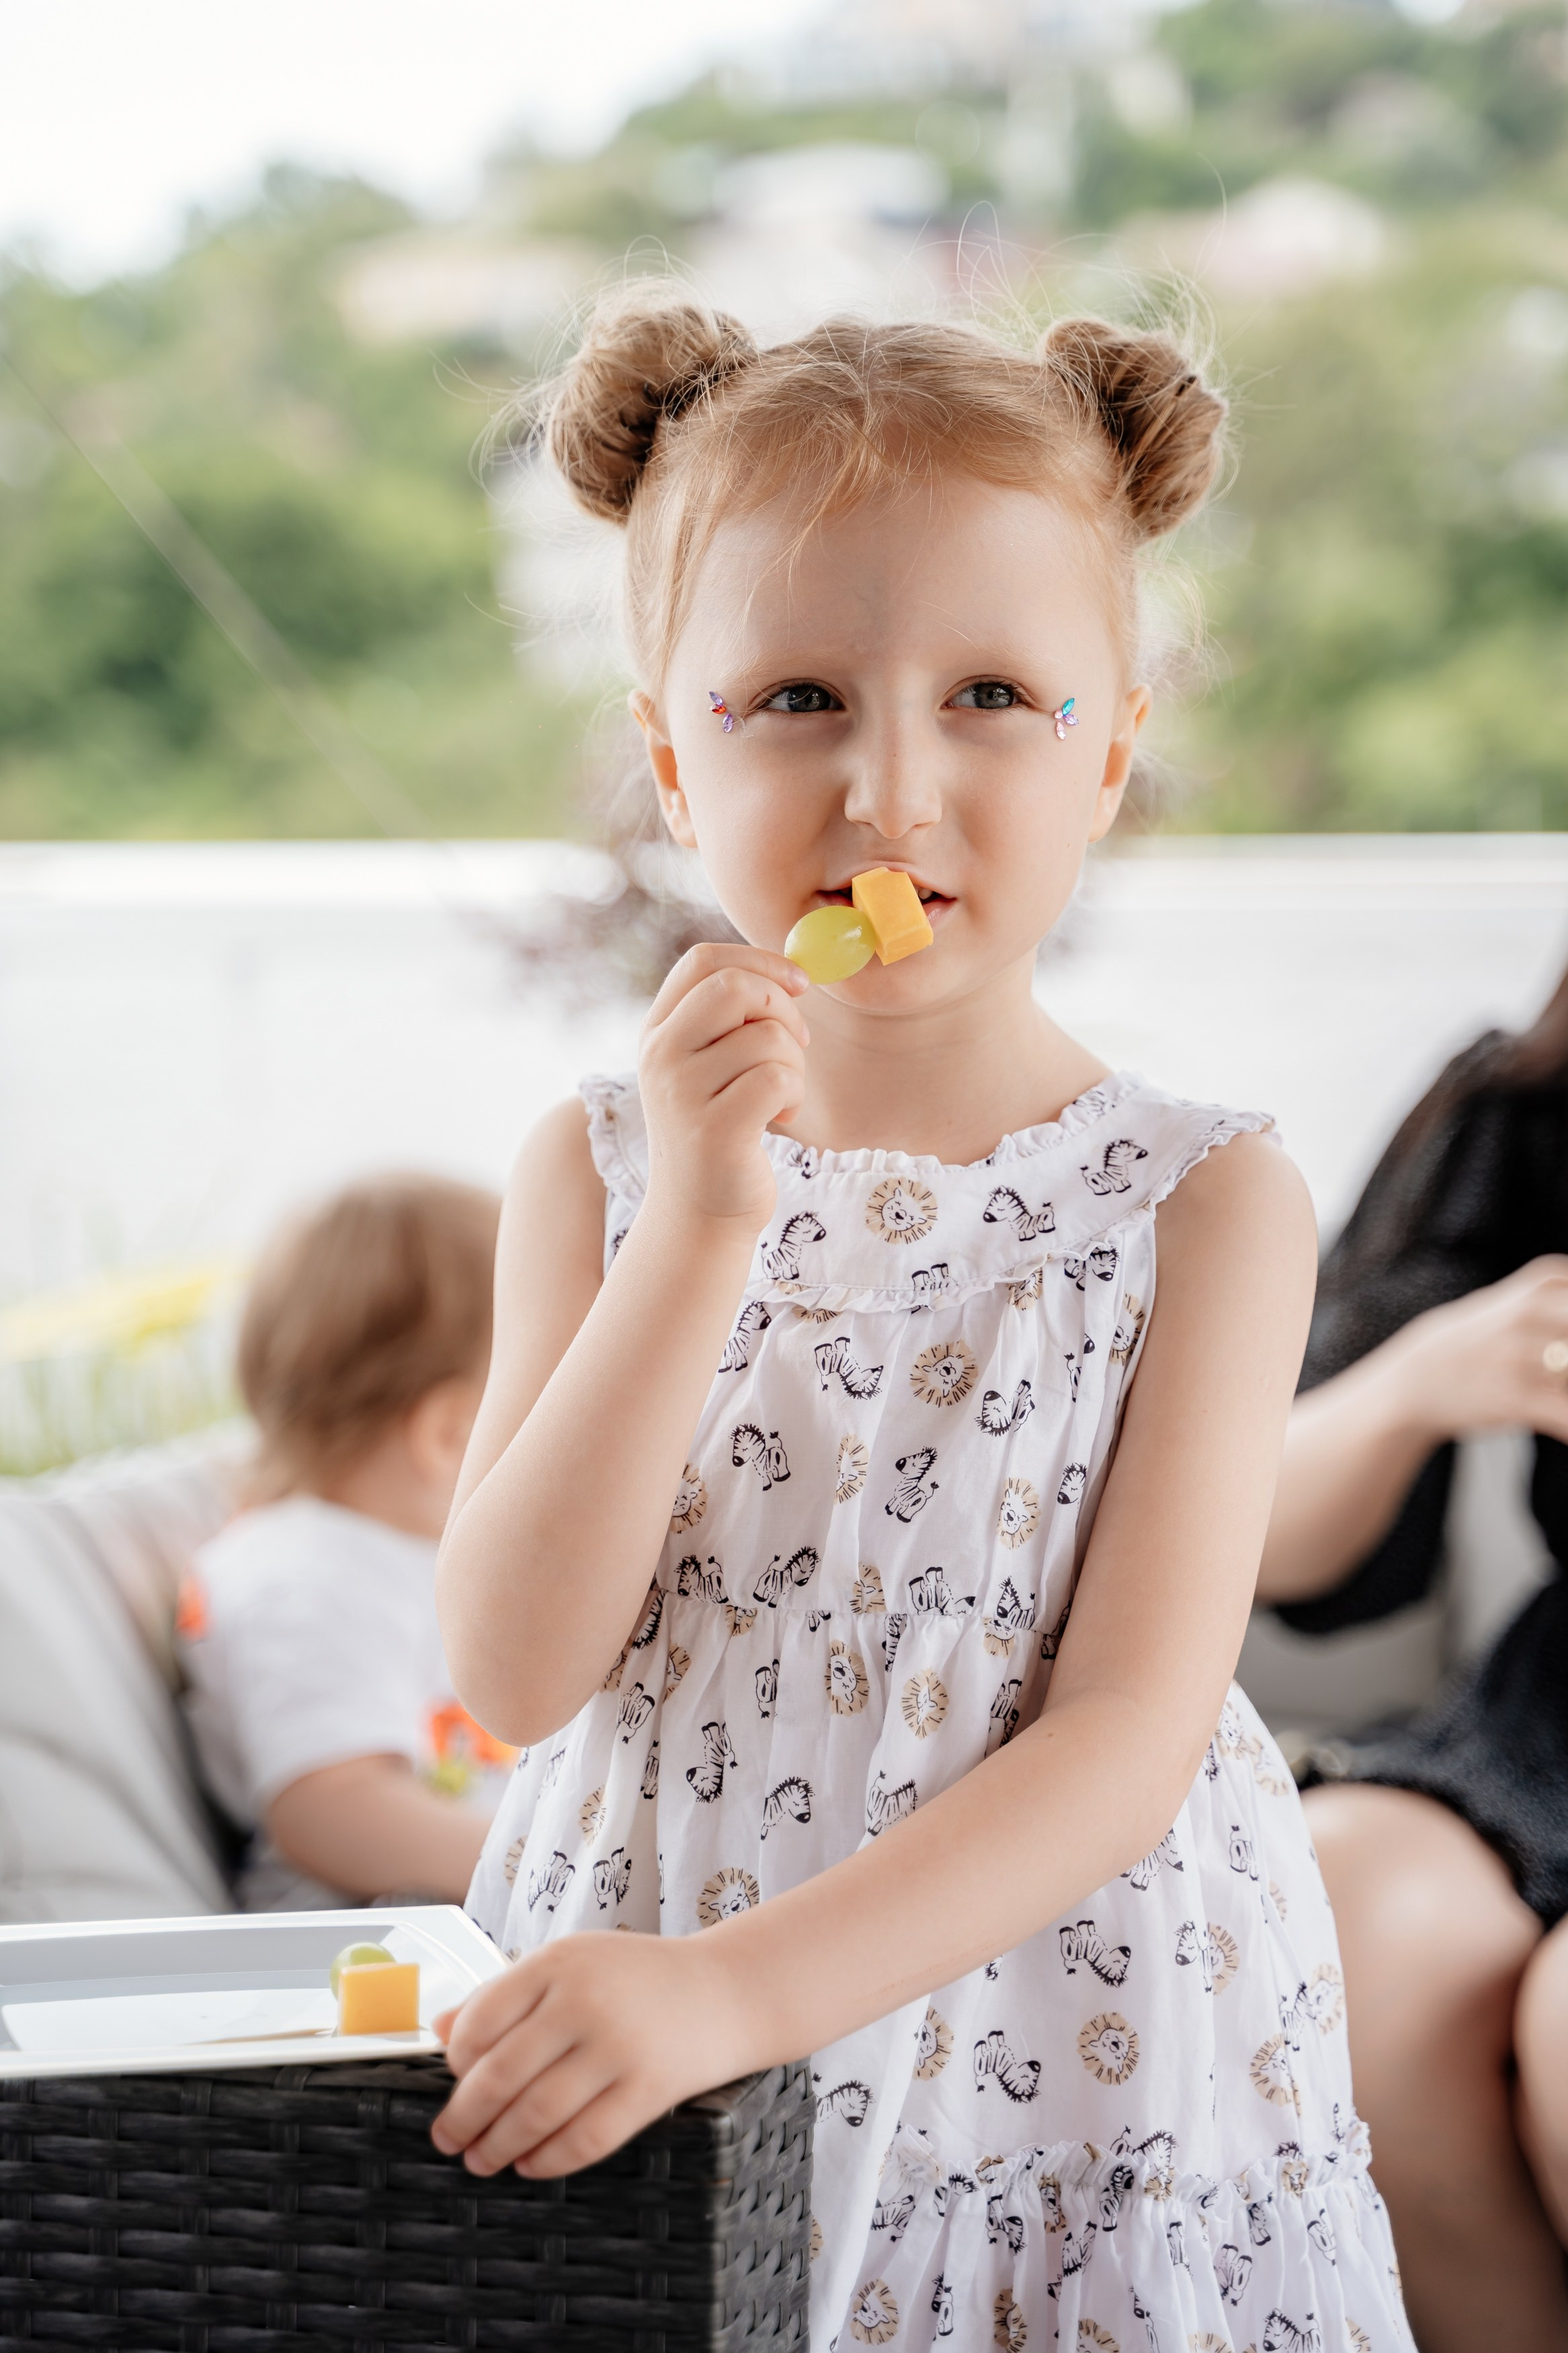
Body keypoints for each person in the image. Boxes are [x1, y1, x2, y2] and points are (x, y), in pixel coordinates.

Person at [430, 286, 1415, 2352]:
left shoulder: (1204, 1200)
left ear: (1113, 750)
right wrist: (702, 1229)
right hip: (651, 1984)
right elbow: (516, 1668)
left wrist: (739, 1991)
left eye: (990, 691)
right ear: (668, 761)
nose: (890, 786)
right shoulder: (595, 1172)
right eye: (792, 694)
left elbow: (1129, 1739)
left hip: (1070, 2046)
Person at [1257, 963, 1568, 2353]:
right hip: (1551, 1711)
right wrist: (1420, 1376)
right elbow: (1278, 1560)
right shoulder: (1526, 1098)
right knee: (1339, 1905)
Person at [178, 1172, 510, 1911]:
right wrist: (549, 1873)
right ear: (449, 1434)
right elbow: (331, 1807)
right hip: (378, 1969)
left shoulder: (396, 1553)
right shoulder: (306, 1569)